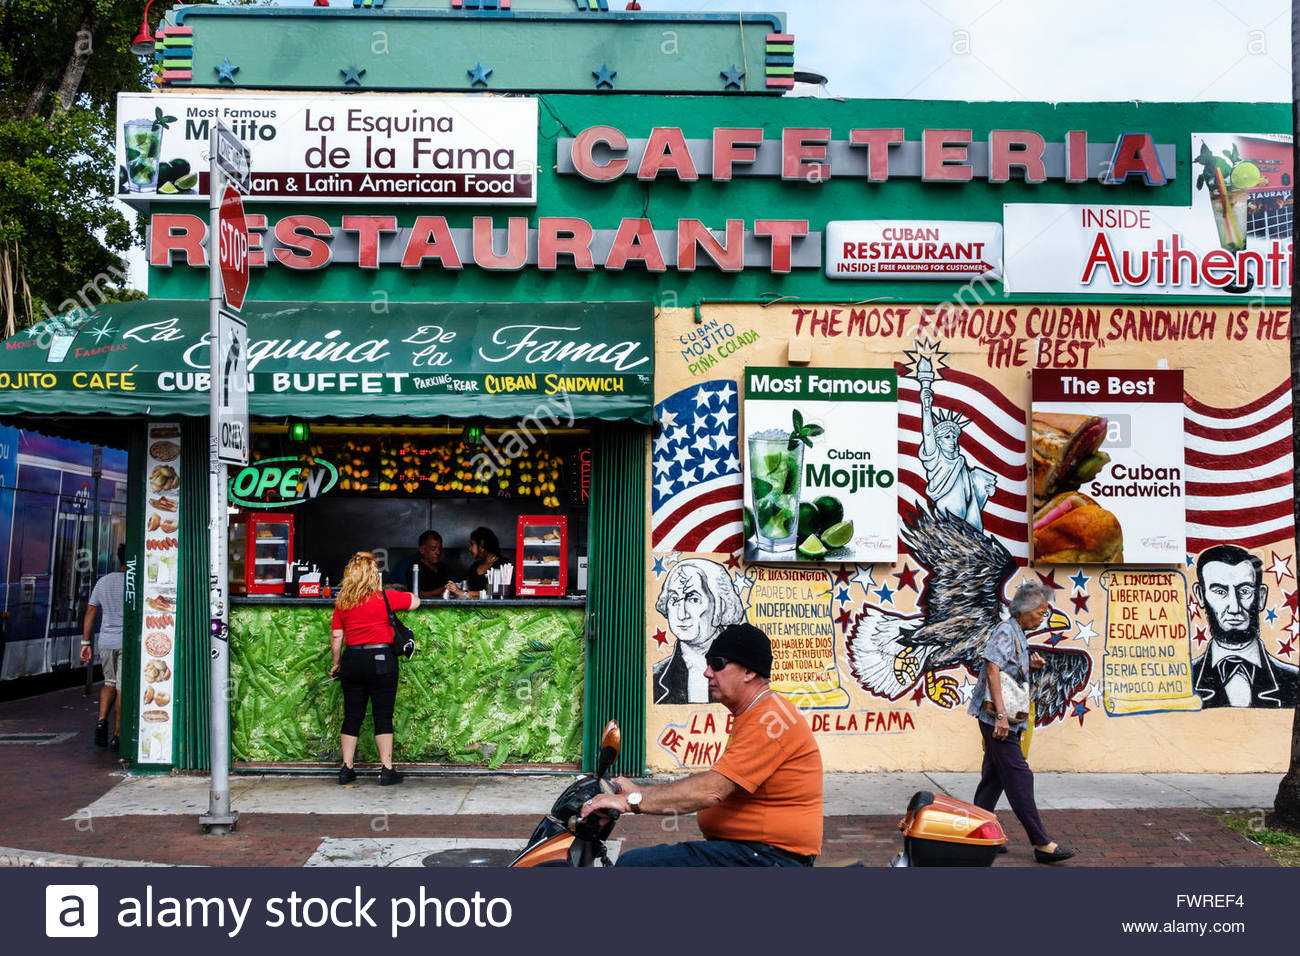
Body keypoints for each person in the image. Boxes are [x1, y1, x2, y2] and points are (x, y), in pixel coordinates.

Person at [584, 623, 823, 866]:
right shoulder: (755, 714)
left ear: (749, 672)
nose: (707, 672)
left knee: (635, 866)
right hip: (751, 851)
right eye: (708, 663)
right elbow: (714, 781)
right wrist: (638, 791)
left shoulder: (770, 719)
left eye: (717, 664)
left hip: (769, 857)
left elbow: (711, 790)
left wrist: (631, 802)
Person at [968, 580, 1074, 864]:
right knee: (1019, 776)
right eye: (1041, 613)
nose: (1043, 618)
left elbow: (1006, 668)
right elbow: (992, 667)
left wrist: (1030, 664)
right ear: (1025, 610)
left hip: (1001, 719)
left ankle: (977, 835)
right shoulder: (1006, 630)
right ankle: (1041, 843)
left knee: (994, 779)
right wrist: (1001, 716)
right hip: (998, 720)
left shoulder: (1017, 633)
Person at [330, 551, 420, 785]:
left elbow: (336, 636)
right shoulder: (386, 598)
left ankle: (346, 768)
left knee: (352, 715)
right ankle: (386, 770)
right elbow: (415, 601)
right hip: (381, 659)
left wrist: (337, 663)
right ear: (374, 576)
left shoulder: (343, 602)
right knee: (383, 714)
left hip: (352, 661)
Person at [1191, 544, 1299, 708]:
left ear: (1261, 597)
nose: (1234, 608)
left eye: (1244, 591)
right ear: (1200, 595)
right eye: (1220, 592)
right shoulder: (1181, 683)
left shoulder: (1294, 679)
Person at [653, 558, 746, 704]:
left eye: (694, 599)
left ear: (720, 607)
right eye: (674, 600)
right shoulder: (656, 676)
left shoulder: (745, 675)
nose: (681, 614)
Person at [918, 378, 996, 530]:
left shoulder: (960, 462)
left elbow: (971, 489)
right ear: (938, 441)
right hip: (948, 517)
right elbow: (928, 433)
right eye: (947, 437)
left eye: (954, 436)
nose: (952, 440)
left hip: (968, 518)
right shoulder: (935, 458)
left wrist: (985, 489)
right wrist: (926, 408)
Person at [80, 544, 127, 752]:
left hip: (106, 641)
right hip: (127, 642)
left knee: (108, 682)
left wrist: (85, 642)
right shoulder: (137, 582)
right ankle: (117, 735)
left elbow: (91, 611)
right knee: (121, 689)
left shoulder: (104, 581)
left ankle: (101, 720)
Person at [392, 529, 450, 598]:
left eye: (439, 548)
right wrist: (441, 590)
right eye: (433, 549)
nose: (438, 552)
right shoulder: (415, 569)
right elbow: (417, 594)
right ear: (422, 550)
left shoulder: (442, 567)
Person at [447, 526, 501, 599]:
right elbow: (467, 588)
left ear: (482, 545)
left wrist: (462, 593)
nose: (470, 548)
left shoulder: (502, 565)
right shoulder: (474, 566)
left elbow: (495, 593)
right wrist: (454, 588)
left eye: (472, 544)